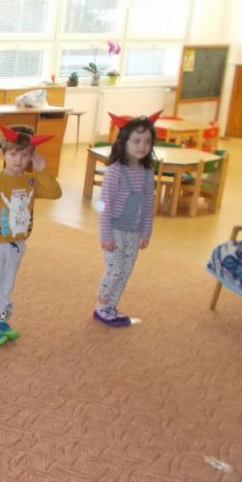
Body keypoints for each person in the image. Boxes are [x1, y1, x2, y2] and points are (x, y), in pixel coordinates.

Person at [0, 125, 62, 346]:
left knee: (6, 284)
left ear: (31, 157)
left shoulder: (30, 180)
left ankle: (0, 320)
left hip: (17, 243)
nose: (18, 160)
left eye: (24, 155)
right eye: (13, 154)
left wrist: (42, 171)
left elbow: (54, 193)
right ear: (3, 154)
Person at [93, 113, 158, 327]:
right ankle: (101, 306)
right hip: (114, 229)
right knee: (115, 269)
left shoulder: (147, 171)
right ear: (124, 141)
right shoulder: (115, 171)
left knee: (126, 270)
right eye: (136, 141)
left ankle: (112, 306)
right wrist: (105, 235)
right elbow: (105, 204)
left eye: (147, 141)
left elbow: (148, 204)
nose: (142, 146)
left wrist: (146, 232)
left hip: (134, 231)